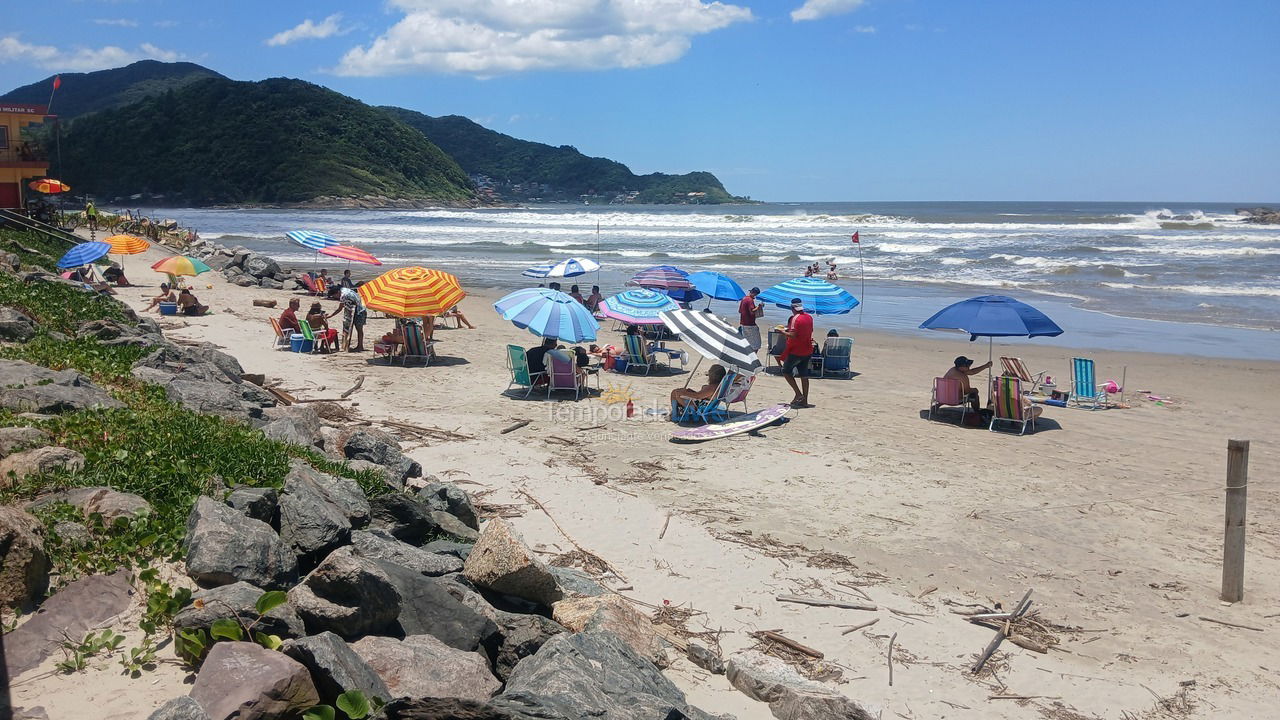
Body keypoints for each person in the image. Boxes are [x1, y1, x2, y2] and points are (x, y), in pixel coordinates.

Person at [779, 298, 814, 408]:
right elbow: (809, 331)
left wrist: (782, 332)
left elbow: (793, 335)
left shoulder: (795, 319)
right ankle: (805, 400)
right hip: (807, 349)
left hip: (796, 350)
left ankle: (798, 394)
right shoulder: (809, 317)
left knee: (786, 371)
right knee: (804, 375)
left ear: (792, 308)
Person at [329, 285, 367, 351]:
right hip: (362, 308)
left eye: (334, 296)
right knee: (359, 329)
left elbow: (340, 308)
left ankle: (360, 346)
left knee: (359, 329)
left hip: (359, 311)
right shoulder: (346, 289)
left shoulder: (343, 295)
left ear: (338, 292)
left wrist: (331, 315)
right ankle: (360, 345)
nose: (335, 297)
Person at [738, 286, 763, 352]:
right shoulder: (750, 300)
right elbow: (752, 310)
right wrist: (759, 306)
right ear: (754, 293)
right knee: (756, 344)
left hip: (743, 324)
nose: (755, 296)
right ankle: (753, 359)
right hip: (750, 325)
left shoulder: (744, 299)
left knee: (747, 343)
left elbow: (740, 311)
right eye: (756, 295)